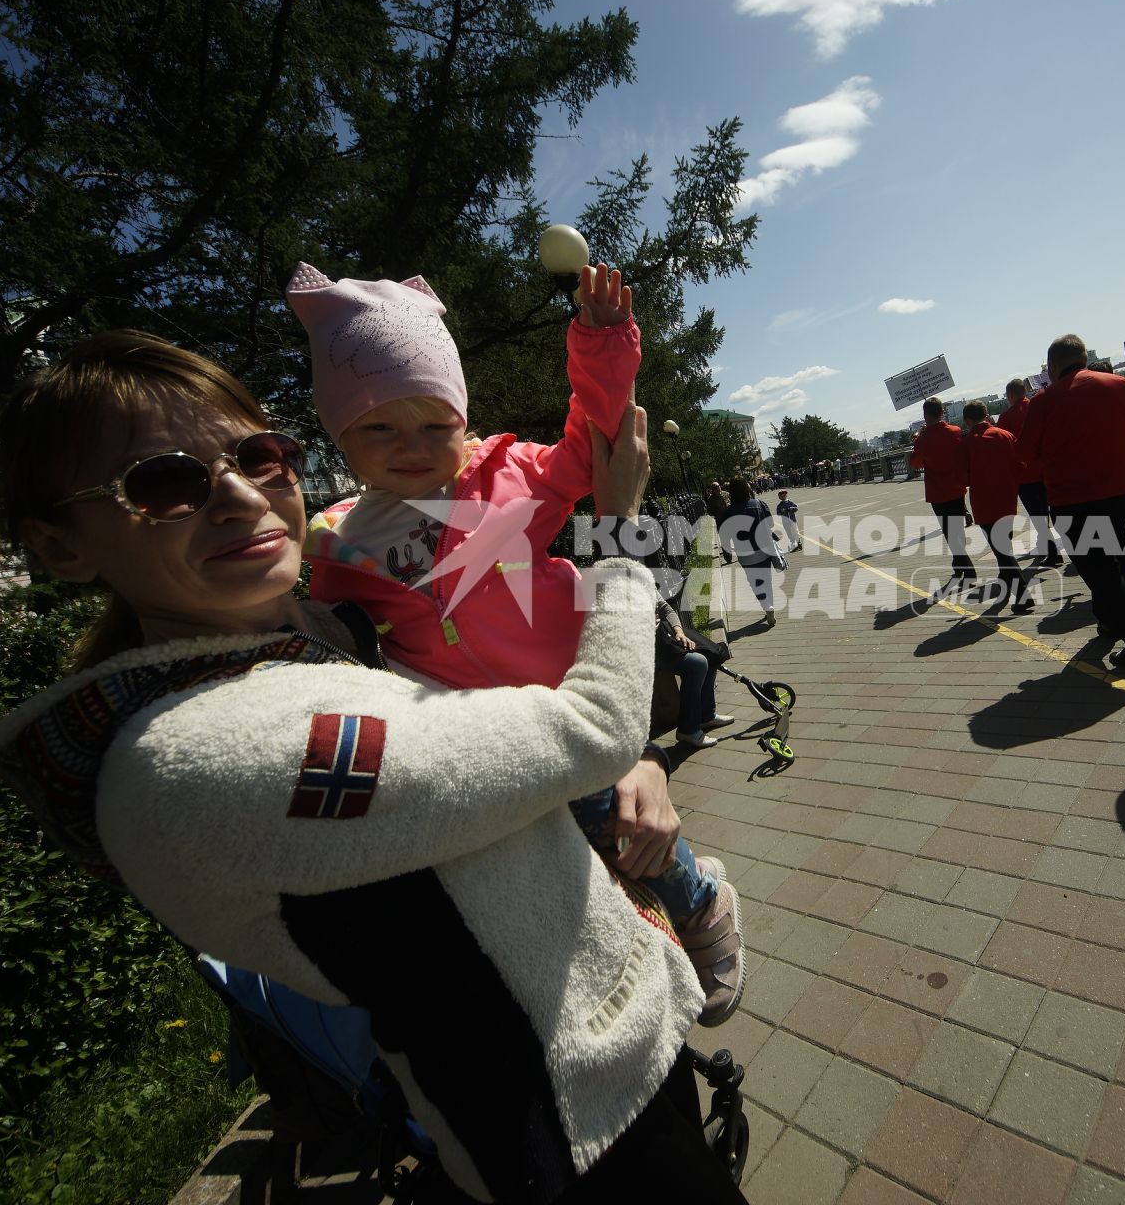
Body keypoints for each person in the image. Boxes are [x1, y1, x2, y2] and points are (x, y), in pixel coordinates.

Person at [0, 332, 748, 1203]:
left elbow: (519, 733)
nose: (238, 495)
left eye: (259, 455)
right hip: (566, 1121)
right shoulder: (200, 755)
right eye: (161, 482)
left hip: (611, 1029)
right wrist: (620, 538)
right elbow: (586, 730)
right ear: (61, 546)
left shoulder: (319, 631)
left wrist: (639, 764)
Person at [289, 262, 744, 1025]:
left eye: (436, 423)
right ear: (339, 434)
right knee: (564, 860)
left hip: (575, 699)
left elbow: (595, 442)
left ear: (463, 421)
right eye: (378, 427)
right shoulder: (338, 546)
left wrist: (601, 347)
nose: (413, 447)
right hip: (489, 742)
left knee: (621, 824)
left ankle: (702, 903)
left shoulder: (505, 474)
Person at [1018, 335, 1125, 665]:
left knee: (1102, 576)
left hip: (1073, 501)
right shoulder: (1121, 385)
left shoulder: (1044, 400)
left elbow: (1025, 454)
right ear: (1083, 357)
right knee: (1114, 567)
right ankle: (1110, 623)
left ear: (1052, 367)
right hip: (1122, 494)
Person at [960, 401, 1027, 609]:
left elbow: (962, 477)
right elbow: (1021, 464)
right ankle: (1005, 583)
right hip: (1007, 499)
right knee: (1004, 547)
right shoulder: (1004, 435)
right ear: (987, 414)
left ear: (967, 421)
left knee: (1002, 551)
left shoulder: (967, 443)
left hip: (984, 504)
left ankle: (1024, 596)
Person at [909, 396, 975, 594]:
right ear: (942, 412)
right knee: (958, 530)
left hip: (938, 491)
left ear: (925, 415)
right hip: (956, 487)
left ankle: (968, 569)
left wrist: (919, 440)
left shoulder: (923, 438)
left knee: (949, 531)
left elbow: (915, 463)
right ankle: (959, 564)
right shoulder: (954, 431)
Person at [656, 591, 734, 748]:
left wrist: (679, 631)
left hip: (663, 635)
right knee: (697, 664)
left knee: (711, 653)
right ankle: (688, 730)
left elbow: (666, 608)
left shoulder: (641, 577)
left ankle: (706, 715)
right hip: (645, 647)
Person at [1000, 377, 1062, 566]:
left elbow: (1005, 448)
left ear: (1010, 395)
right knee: (1053, 510)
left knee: (1038, 516)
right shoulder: (1038, 407)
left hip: (1026, 475)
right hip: (1049, 468)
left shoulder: (1007, 417)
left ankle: (1052, 553)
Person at [719, 476, 782, 628]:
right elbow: (771, 523)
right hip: (764, 548)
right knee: (767, 580)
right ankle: (770, 606)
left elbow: (724, 534)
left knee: (755, 582)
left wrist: (727, 549)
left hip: (745, 553)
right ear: (747, 488)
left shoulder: (728, 511)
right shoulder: (759, 504)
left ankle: (767, 606)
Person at [774, 488, 801, 552]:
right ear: (779, 497)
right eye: (781, 496)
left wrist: (791, 509)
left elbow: (796, 508)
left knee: (796, 531)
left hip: (792, 520)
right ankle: (793, 543)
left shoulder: (790, 502)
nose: (783, 496)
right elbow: (778, 513)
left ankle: (798, 542)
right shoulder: (779, 505)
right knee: (789, 533)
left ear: (786, 495)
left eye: (784, 495)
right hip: (785, 522)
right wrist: (783, 511)